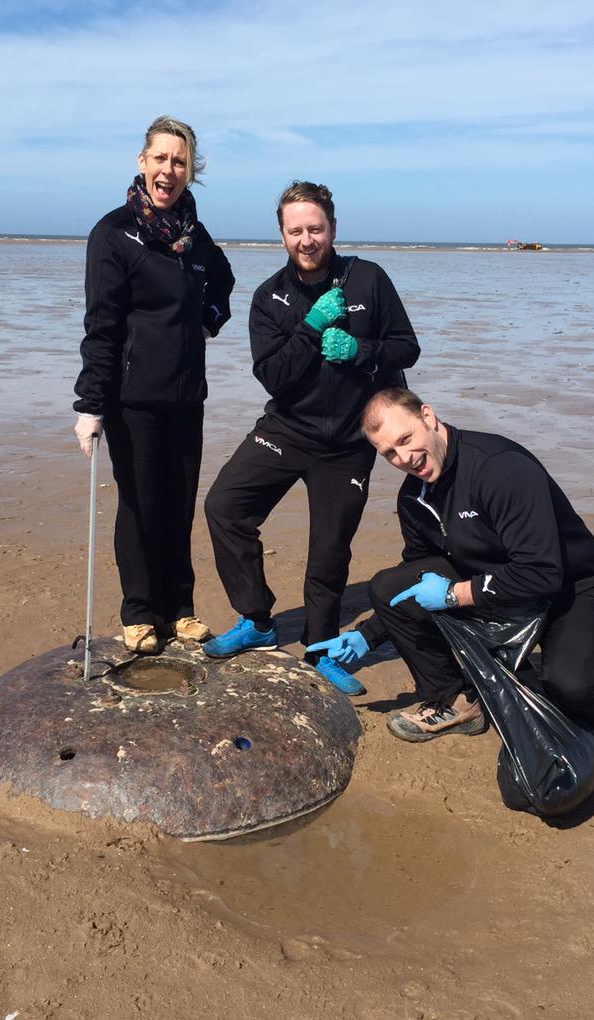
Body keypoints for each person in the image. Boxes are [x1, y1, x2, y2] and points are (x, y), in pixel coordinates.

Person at [307, 387, 594, 781]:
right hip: (499, 584)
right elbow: (414, 577)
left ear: (428, 416)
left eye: (406, 439)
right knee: (389, 586)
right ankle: (456, 700)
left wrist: (455, 594)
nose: (404, 458)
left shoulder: (500, 467)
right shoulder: (414, 498)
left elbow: (542, 573)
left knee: (571, 684)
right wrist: (366, 635)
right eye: (389, 453)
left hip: (571, 590)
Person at [202, 182, 419, 694]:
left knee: (329, 550)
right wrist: (311, 327)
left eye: (315, 229)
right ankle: (257, 620)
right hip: (286, 430)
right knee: (224, 508)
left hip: (347, 443)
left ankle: (320, 647)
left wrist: (361, 350)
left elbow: (407, 348)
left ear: (333, 229)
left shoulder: (368, 280)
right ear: (282, 235)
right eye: (296, 230)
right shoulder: (268, 297)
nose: (307, 239)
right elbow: (274, 376)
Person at [73, 116, 234, 653]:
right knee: (141, 503)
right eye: (160, 158)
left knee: (180, 501)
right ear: (142, 162)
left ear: (191, 171)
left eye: (180, 161)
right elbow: (102, 325)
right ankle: (140, 611)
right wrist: (90, 405)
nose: (169, 170)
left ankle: (180, 609)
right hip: (131, 398)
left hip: (187, 395)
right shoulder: (114, 232)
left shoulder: (194, 232)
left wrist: (205, 320)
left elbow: (224, 278)